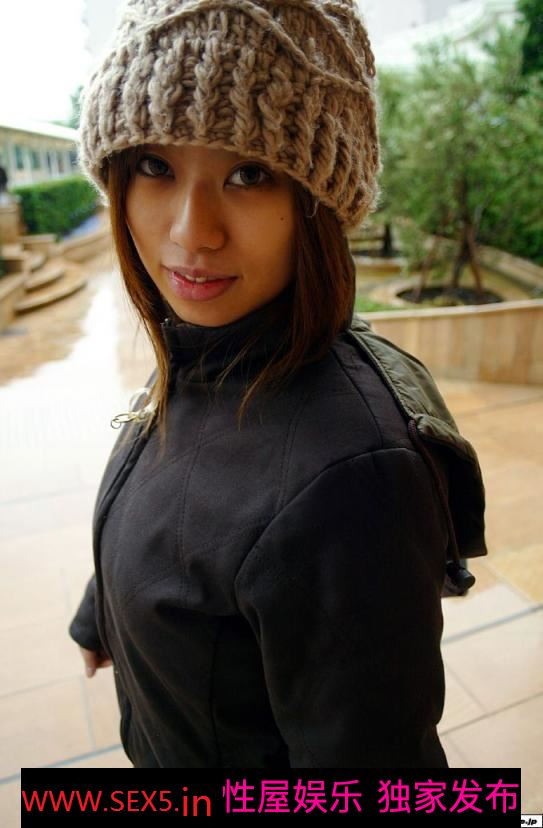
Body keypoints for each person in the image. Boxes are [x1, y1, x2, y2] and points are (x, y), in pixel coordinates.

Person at [69, 0, 487, 768]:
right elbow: (187, 509)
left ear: (320, 203)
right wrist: (106, 612)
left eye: (248, 174)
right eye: (155, 166)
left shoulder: (350, 484)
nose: (191, 232)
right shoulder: (207, 348)